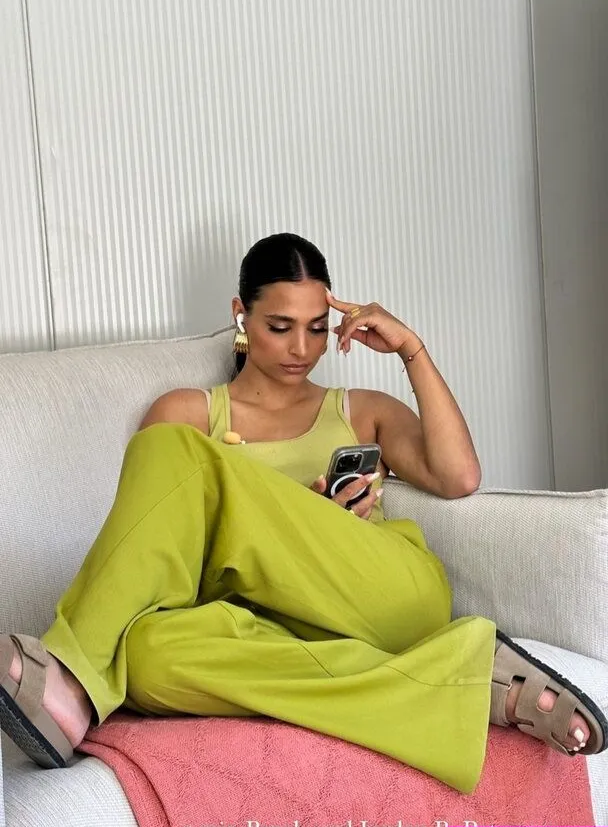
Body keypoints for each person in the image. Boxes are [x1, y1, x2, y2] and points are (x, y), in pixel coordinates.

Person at [0, 232, 606, 796]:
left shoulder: (360, 409)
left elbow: (459, 477)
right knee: (146, 655)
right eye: (280, 327)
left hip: (382, 595)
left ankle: (69, 677)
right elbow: (162, 572)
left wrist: (410, 350)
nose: (301, 349)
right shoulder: (185, 415)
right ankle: (464, 682)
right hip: (272, 629)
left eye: (317, 329)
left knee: (174, 457)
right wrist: (284, 524)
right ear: (241, 315)